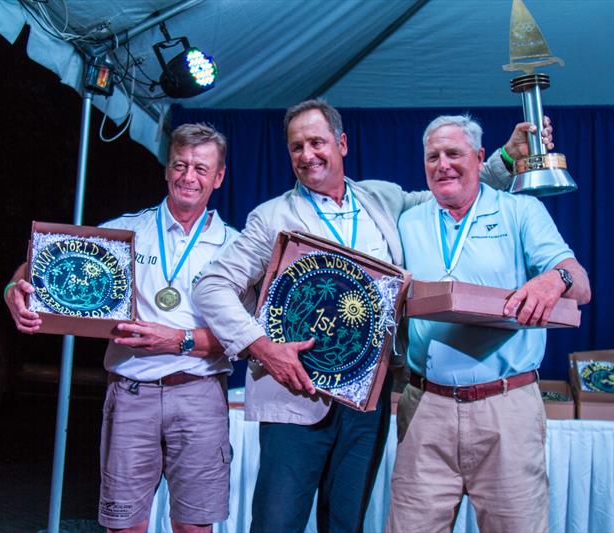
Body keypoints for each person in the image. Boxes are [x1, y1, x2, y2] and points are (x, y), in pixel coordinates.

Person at [191, 98, 552, 533]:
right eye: (297, 147)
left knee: (346, 524)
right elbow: (211, 286)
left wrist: (509, 157)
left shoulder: (383, 200)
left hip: (367, 404)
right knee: (276, 525)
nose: (308, 155)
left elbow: (454, 185)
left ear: (342, 144)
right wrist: (264, 349)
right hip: (296, 399)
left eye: (317, 142)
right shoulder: (272, 217)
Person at [4, 123, 250, 533]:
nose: (189, 177)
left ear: (219, 177)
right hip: (130, 393)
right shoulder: (125, 232)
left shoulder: (236, 247)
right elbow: (43, 262)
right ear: (166, 170)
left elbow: (244, 339)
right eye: (180, 165)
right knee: (123, 526)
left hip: (200, 395)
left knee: (194, 527)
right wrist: (14, 287)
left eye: (201, 169)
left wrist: (177, 341)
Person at [386, 115, 591, 533]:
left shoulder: (521, 211)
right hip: (425, 407)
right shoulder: (408, 221)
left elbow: (580, 284)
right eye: (433, 157)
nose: (443, 165)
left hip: (506, 408)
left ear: (481, 159)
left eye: (454, 154)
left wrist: (554, 279)